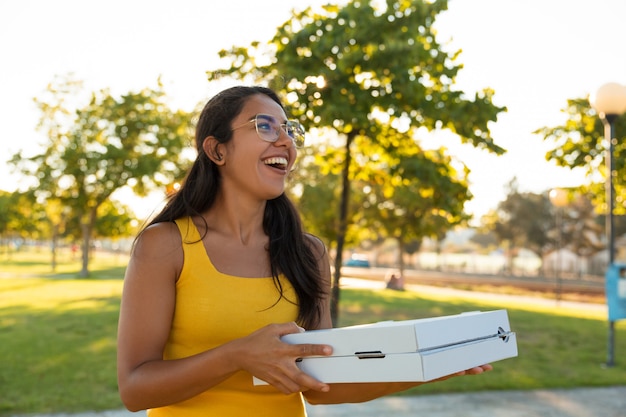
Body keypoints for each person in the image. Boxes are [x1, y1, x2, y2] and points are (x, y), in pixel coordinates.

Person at [116, 85, 491, 416]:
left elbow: (323, 386)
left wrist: (434, 363)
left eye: (290, 131)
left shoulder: (307, 252)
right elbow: (135, 389)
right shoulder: (165, 246)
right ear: (217, 150)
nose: (285, 141)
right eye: (265, 126)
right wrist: (236, 356)